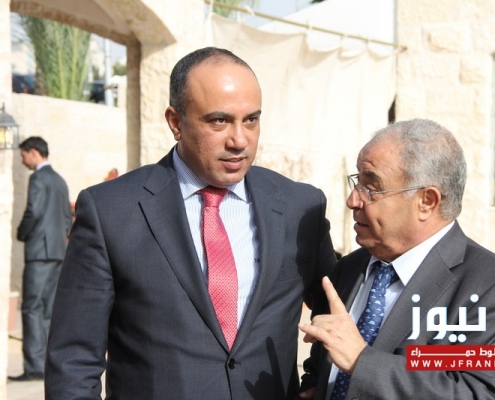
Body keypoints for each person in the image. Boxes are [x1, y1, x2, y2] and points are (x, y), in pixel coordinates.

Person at [45, 47, 337, 399]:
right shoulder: (110, 211)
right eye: (219, 121)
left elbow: (338, 309)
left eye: (251, 120)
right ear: (175, 122)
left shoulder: (300, 207)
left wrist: (317, 381)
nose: (239, 140)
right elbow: (73, 360)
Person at [299, 119, 495, 399]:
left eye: (371, 187)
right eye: (357, 182)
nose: (353, 200)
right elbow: (320, 369)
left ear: (427, 201)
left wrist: (361, 361)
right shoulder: (350, 269)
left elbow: (483, 394)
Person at [10, 137, 71, 381]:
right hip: (57, 252)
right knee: (48, 310)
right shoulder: (60, 180)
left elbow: (33, 211)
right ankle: (47, 364)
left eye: (23, 155)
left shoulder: (38, 178)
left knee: (31, 308)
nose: (23, 160)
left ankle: (34, 366)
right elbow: (66, 219)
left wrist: (21, 233)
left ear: (33, 152)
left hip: (39, 253)